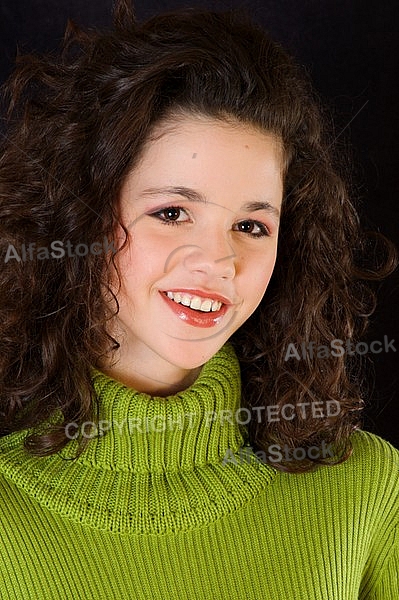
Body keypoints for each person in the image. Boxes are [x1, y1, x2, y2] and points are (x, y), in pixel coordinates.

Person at [0, 1, 398, 598]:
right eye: (171, 212)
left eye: (253, 225)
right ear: (79, 216)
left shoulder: (365, 488)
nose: (218, 261)